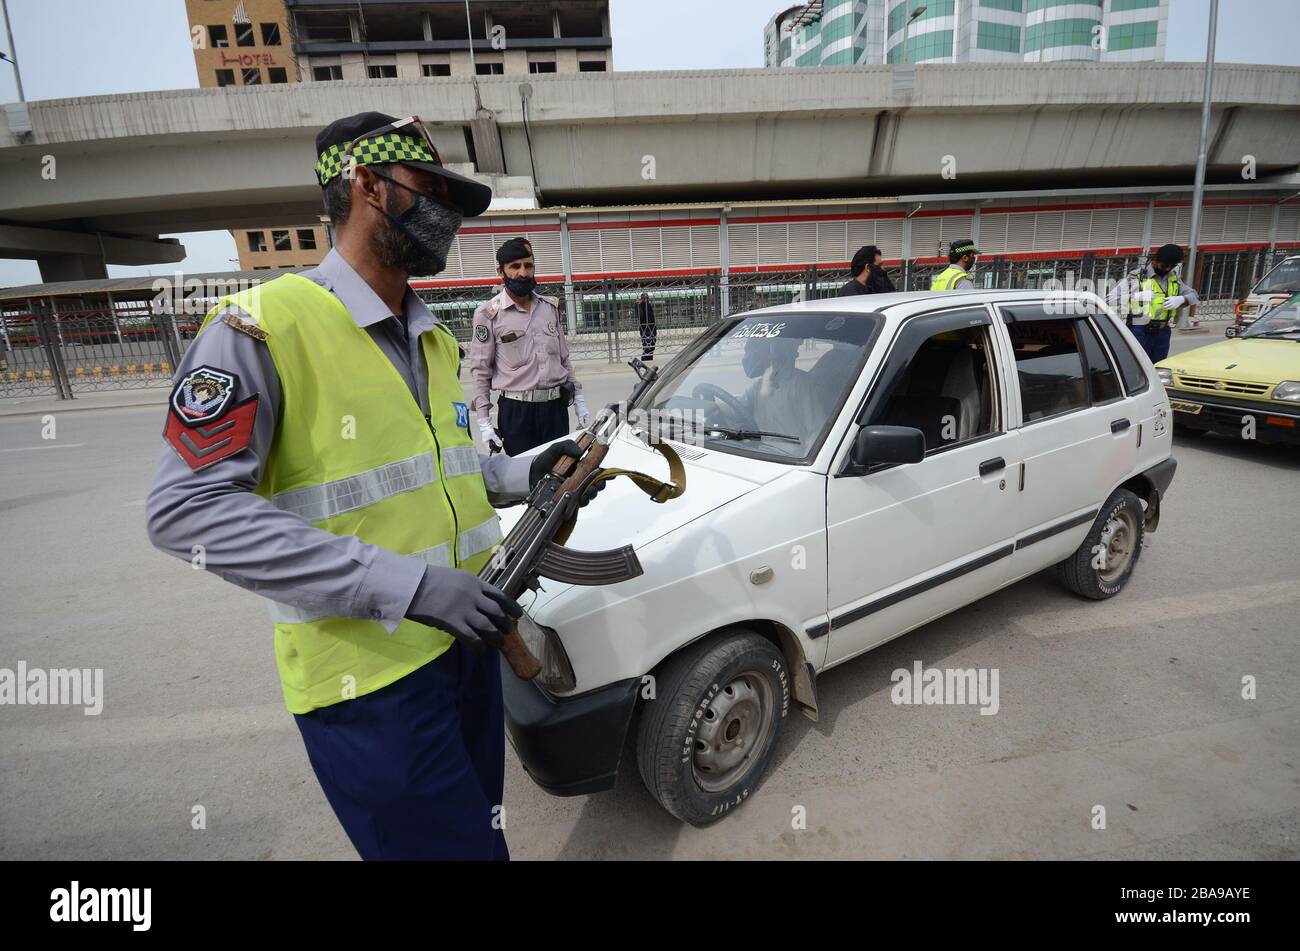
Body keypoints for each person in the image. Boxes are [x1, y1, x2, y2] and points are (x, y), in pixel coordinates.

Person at [145, 111, 600, 861]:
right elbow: (186, 511)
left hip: (468, 651)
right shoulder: (261, 326)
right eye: (429, 189)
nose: (445, 212)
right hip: (370, 686)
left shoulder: (436, 336)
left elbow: (454, 477)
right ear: (368, 186)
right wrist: (412, 587)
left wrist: (531, 470)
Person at [470, 237, 588, 455]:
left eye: (528, 265)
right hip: (518, 414)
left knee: (560, 475)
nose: (523, 273)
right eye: (515, 266)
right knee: (523, 479)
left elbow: (563, 359)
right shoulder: (488, 315)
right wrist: (484, 423)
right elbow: (481, 372)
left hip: (555, 409)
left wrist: (579, 400)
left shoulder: (549, 308)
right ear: (500, 271)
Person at [1105, 243, 1200, 363]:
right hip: (1139, 329)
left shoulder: (1173, 278)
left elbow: (1194, 295)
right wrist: (1135, 296)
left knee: (1157, 367)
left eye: (1172, 266)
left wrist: (1182, 299)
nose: (1167, 269)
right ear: (1155, 260)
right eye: (1164, 265)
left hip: (1163, 332)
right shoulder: (1136, 277)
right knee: (1136, 366)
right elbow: (1109, 299)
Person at [636, 291, 658, 360]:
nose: (645, 300)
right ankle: (645, 360)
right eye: (643, 298)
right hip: (645, 329)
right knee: (647, 346)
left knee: (652, 346)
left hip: (652, 328)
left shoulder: (649, 305)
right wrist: (638, 305)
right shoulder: (640, 305)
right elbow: (640, 316)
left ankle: (650, 359)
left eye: (646, 298)